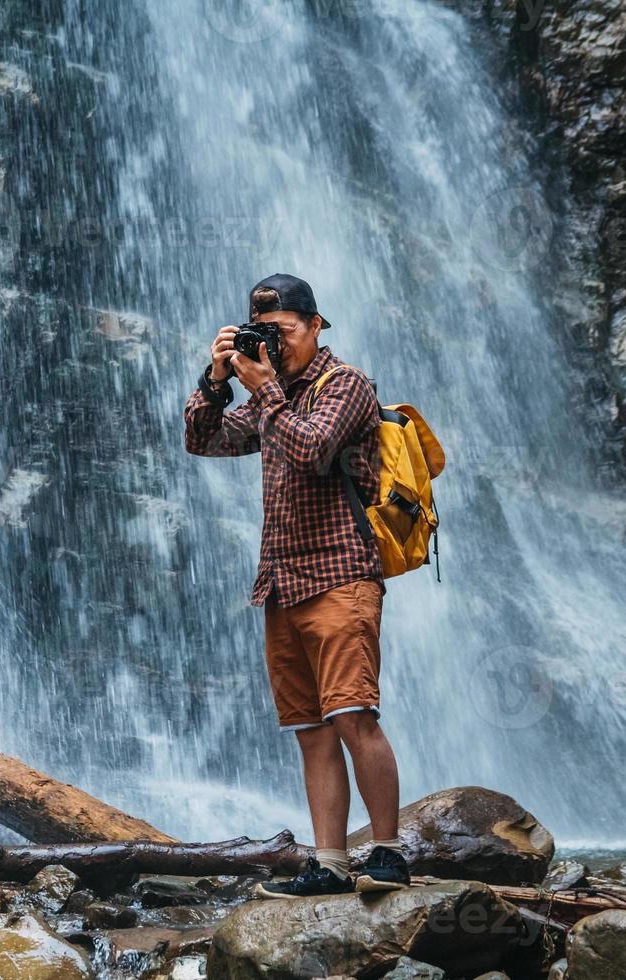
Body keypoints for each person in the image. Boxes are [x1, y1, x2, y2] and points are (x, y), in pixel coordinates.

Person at [183, 274, 410, 897]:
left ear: (315, 325)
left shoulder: (347, 385)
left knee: (352, 715)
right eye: (263, 334)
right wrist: (216, 380)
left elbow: (312, 449)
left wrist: (266, 390)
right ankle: (331, 861)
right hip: (281, 584)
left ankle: (388, 853)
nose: (274, 346)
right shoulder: (267, 391)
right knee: (311, 728)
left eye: (283, 332)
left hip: (341, 575)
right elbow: (203, 440)